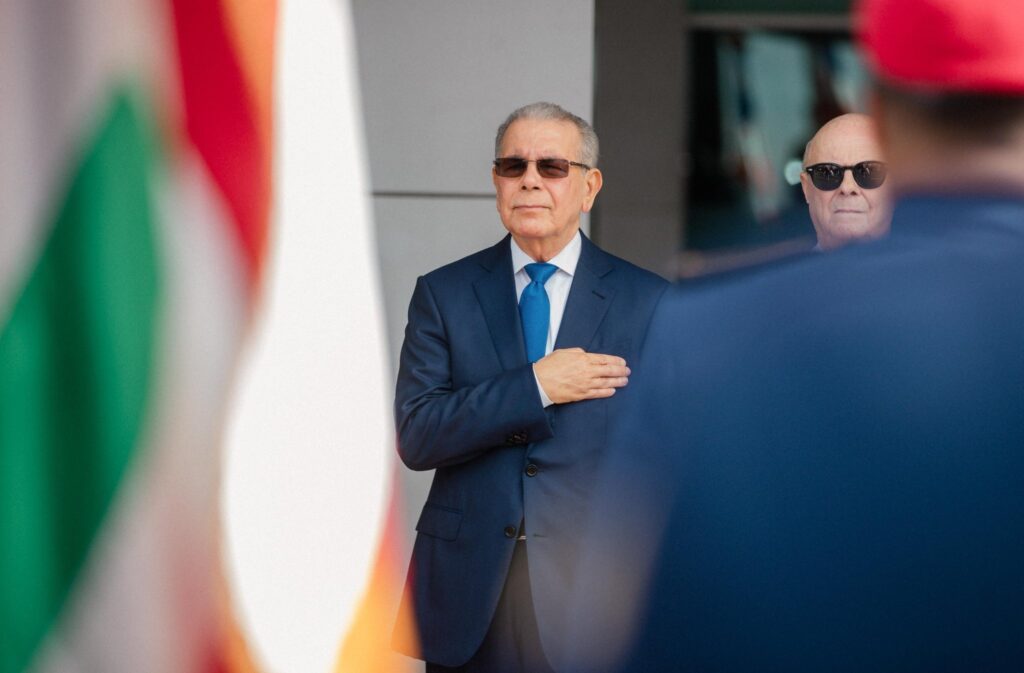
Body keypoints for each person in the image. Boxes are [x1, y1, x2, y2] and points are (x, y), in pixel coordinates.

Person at [565, 1, 1024, 671]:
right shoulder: (705, 330)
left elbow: (617, 631)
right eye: (829, 174)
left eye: (867, 171)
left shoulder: (709, 334)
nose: (849, 190)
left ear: (881, 115)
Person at [391, 102, 667, 673]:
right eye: (513, 166)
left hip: (595, 599)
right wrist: (536, 385)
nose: (530, 180)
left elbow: (669, 459)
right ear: (496, 182)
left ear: (589, 187)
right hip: (468, 596)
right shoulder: (443, 294)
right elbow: (417, 435)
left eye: (552, 167)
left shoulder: (649, 301)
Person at [801, 113, 893, 250]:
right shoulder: (785, 264)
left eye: (869, 172)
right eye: (828, 173)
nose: (847, 187)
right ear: (806, 188)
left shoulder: (924, 261)